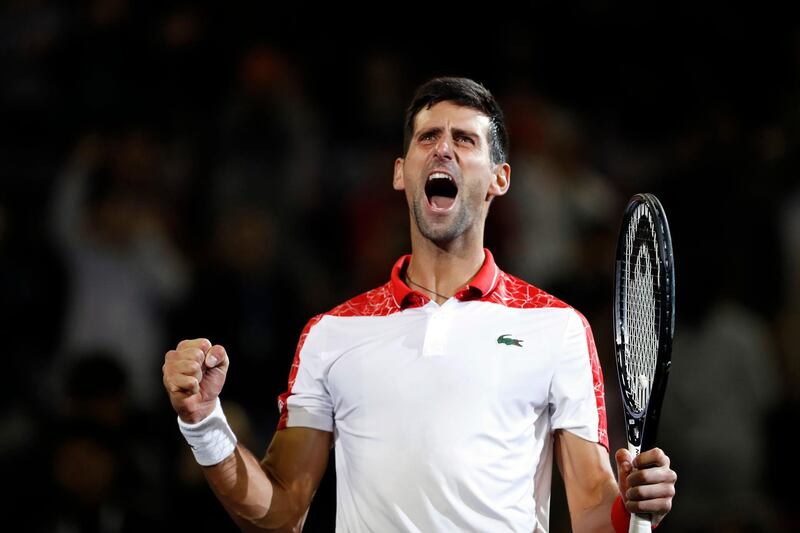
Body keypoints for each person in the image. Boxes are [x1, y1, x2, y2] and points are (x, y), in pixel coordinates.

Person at [162, 77, 677, 532]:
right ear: (400, 172)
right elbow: (279, 514)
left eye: (465, 139)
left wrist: (633, 508)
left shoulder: (557, 328)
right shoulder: (331, 333)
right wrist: (206, 424)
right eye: (428, 137)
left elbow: (591, 512)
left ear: (500, 178)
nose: (443, 150)